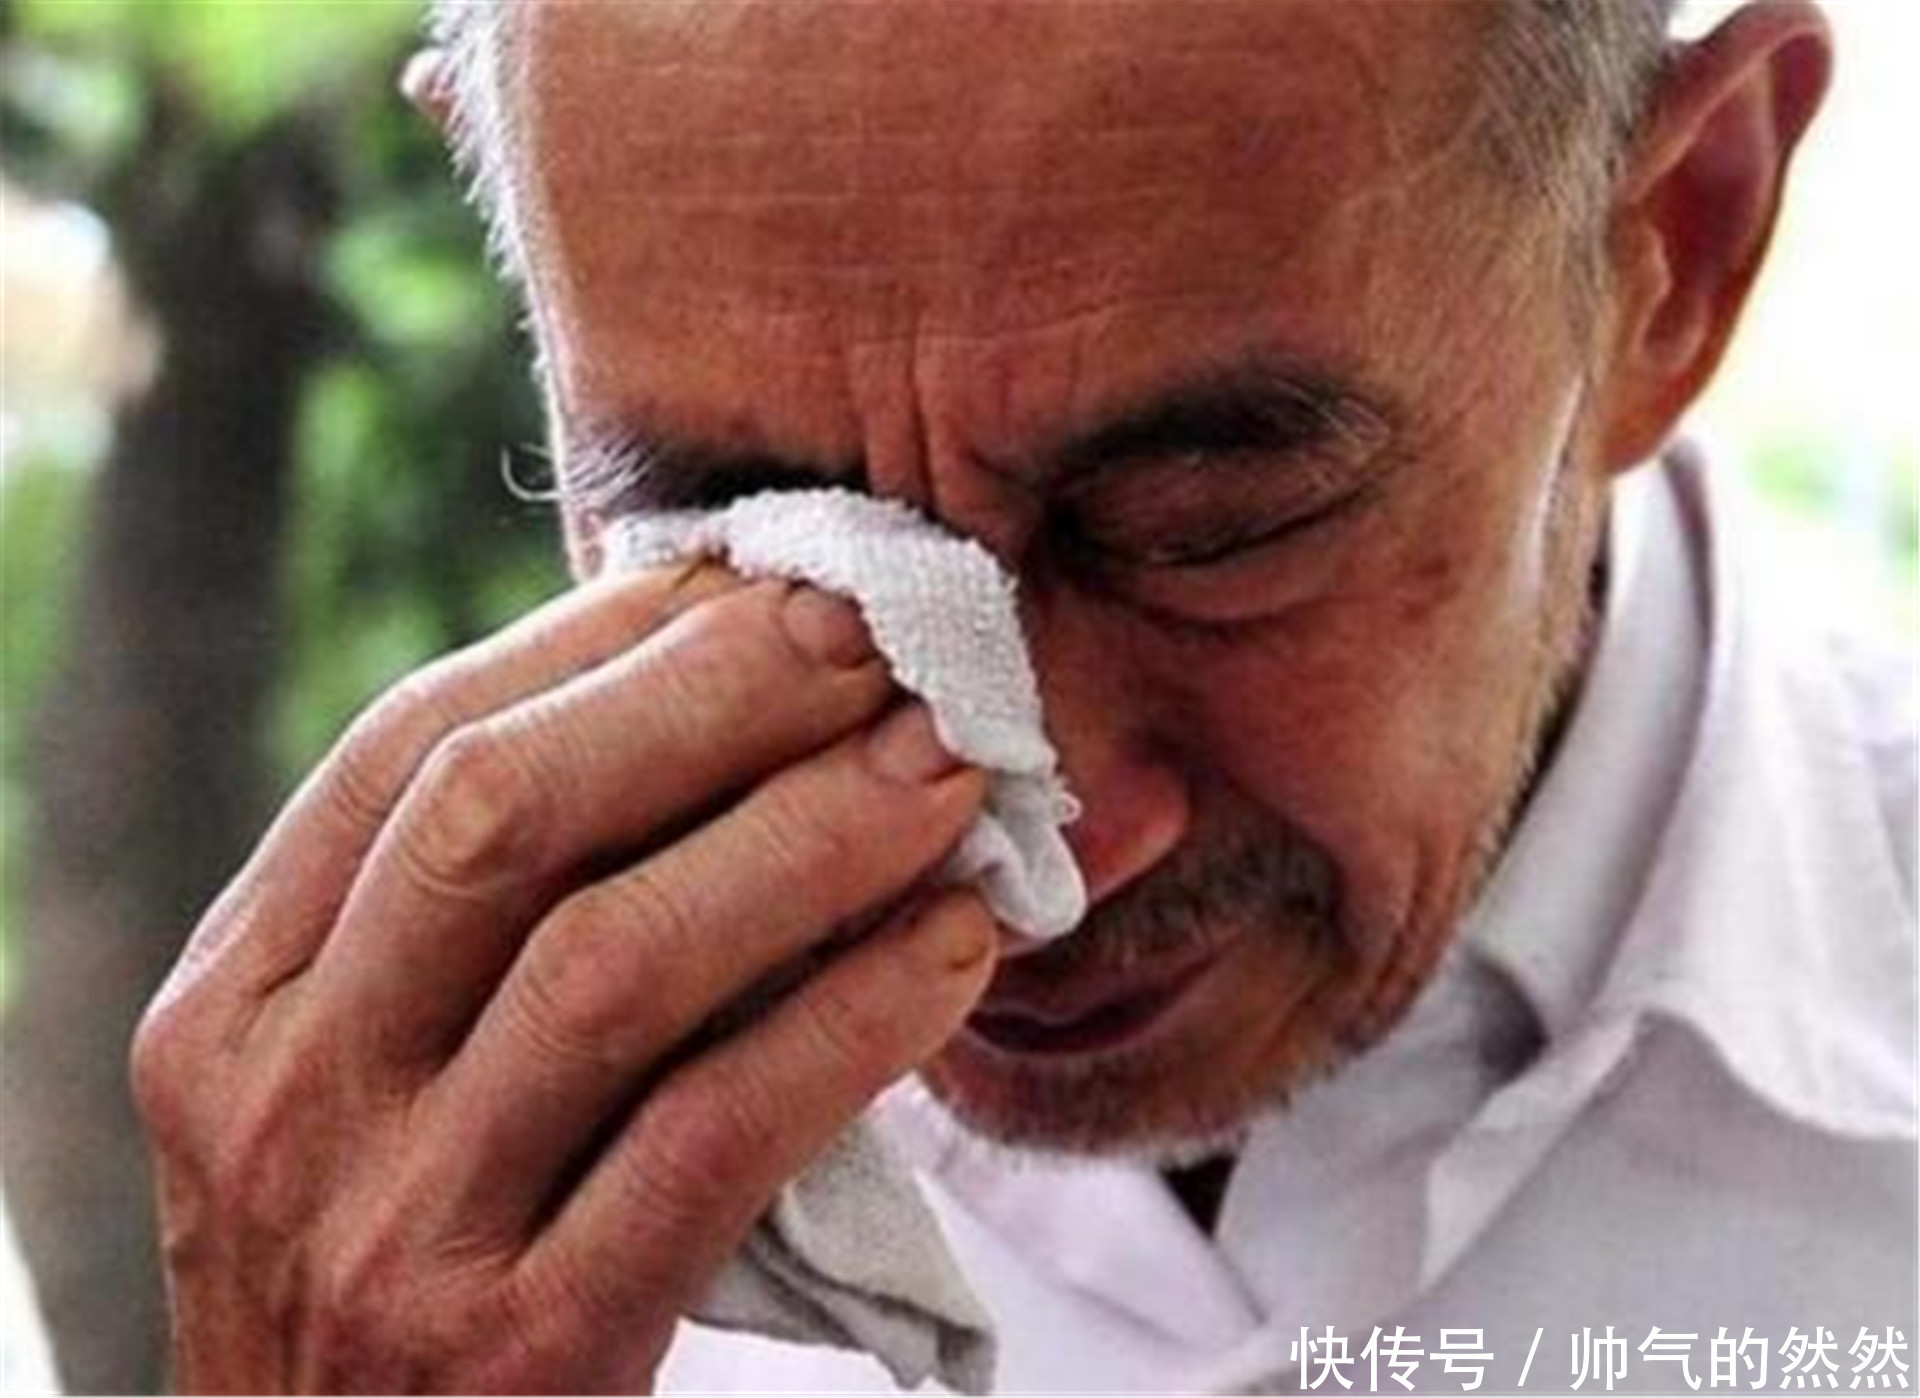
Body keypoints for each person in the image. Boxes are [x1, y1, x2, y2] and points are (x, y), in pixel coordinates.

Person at [128, 0, 1914, 1392]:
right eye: (757, 534)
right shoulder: (403, 1225)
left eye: (1210, 529)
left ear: (1672, 255)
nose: (1029, 851)